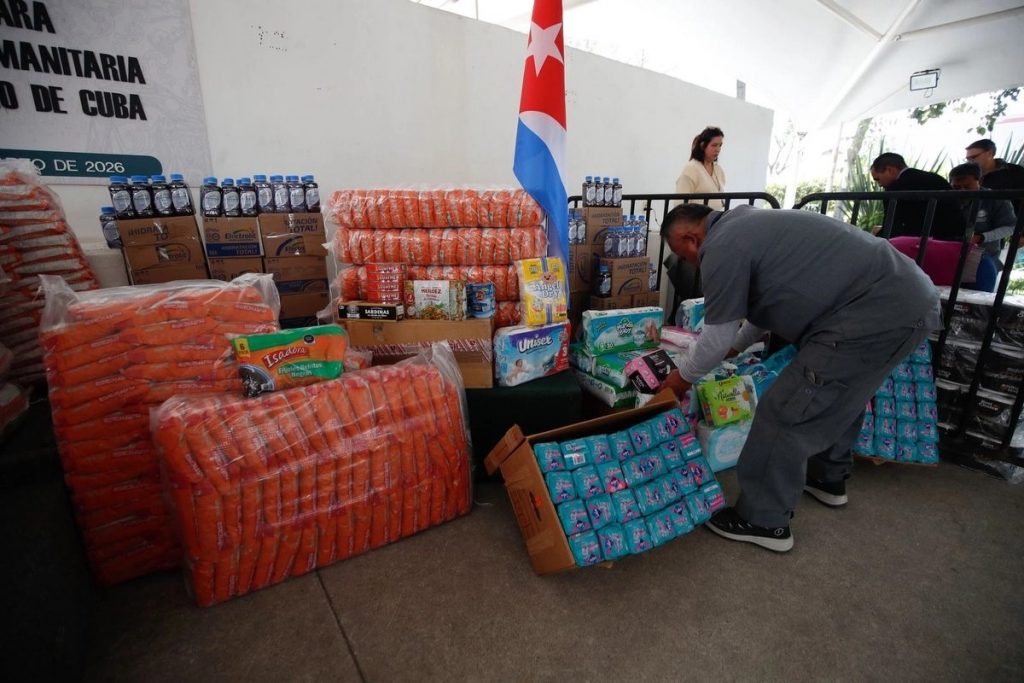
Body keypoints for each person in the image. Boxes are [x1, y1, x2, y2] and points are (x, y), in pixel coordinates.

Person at [658, 204, 941, 552]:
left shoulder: (720, 246)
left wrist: (681, 379)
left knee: (785, 410)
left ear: (691, 238)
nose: (688, 263)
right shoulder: (747, 223)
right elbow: (765, 305)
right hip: (910, 300)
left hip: (868, 312)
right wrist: (736, 346)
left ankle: (763, 520)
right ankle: (826, 477)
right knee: (844, 394)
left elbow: (715, 338)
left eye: (681, 255)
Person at [869, 153, 965, 240]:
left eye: (878, 179)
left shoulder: (894, 189)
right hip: (955, 239)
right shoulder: (936, 178)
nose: (879, 184)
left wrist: (876, 238)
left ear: (890, 170)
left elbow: (892, 228)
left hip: (920, 244)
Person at [948, 162, 1017, 265]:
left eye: (967, 186)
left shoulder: (996, 199)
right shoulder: (946, 198)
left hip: (985, 256)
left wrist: (982, 237)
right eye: (956, 187)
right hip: (951, 254)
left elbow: (1010, 227)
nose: (962, 191)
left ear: (979, 181)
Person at [676, 126, 726, 209]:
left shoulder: (718, 170)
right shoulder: (691, 169)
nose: (718, 149)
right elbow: (680, 205)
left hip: (718, 215)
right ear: (703, 146)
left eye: (720, 145)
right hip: (699, 216)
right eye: (714, 145)